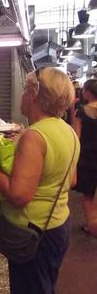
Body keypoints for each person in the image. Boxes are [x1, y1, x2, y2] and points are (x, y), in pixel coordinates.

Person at [0, 67, 80, 294]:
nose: (21, 95)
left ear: (33, 94)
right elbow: (72, 180)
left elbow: (19, 195)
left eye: (24, 90)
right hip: (58, 225)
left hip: (33, 232)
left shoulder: (34, 136)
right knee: (44, 286)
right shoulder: (68, 132)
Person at [72, 79, 97, 237]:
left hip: (87, 158)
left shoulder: (81, 112)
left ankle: (91, 226)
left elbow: (76, 137)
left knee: (87, 195)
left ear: (87, 91)